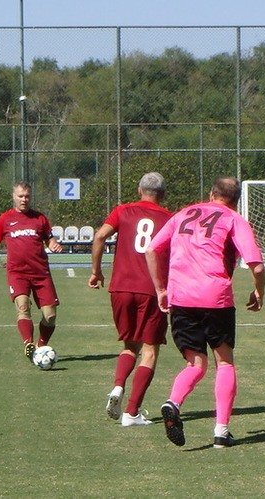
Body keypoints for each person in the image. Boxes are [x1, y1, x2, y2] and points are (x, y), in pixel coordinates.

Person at [145, 177, 265, 449]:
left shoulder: (183, 214)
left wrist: (160, 289)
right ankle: (221, 431)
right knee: (224, 362)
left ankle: (173, 402)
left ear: (211, 194)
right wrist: (259, 292)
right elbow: (256, 266)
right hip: (215, 298)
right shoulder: (234, 219)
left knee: (195, 364)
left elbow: (152, 248)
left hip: (181, 298)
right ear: (236, 200)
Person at [88, 172, 173, 427]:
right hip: (152, 290)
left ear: (139, 190)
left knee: (129, 345)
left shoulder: (122, 211)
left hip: (121, 288)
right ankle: (132, 412)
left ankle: (117, 387)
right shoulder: (169, 218)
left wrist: (96, 271)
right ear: (163, 194)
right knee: (149, 351)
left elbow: (100, 236)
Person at [0, 181, 63, 361]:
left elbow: (49, 238)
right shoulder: (5, 219)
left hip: (41, 273)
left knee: (50, 315)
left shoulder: (40, 218)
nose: (24, 200)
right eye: (20, 196)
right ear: (13, 197)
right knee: (23, 306)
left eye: (27, 196)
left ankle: (40, 345)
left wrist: (53, 244)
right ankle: (28, 344)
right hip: (17, 273)